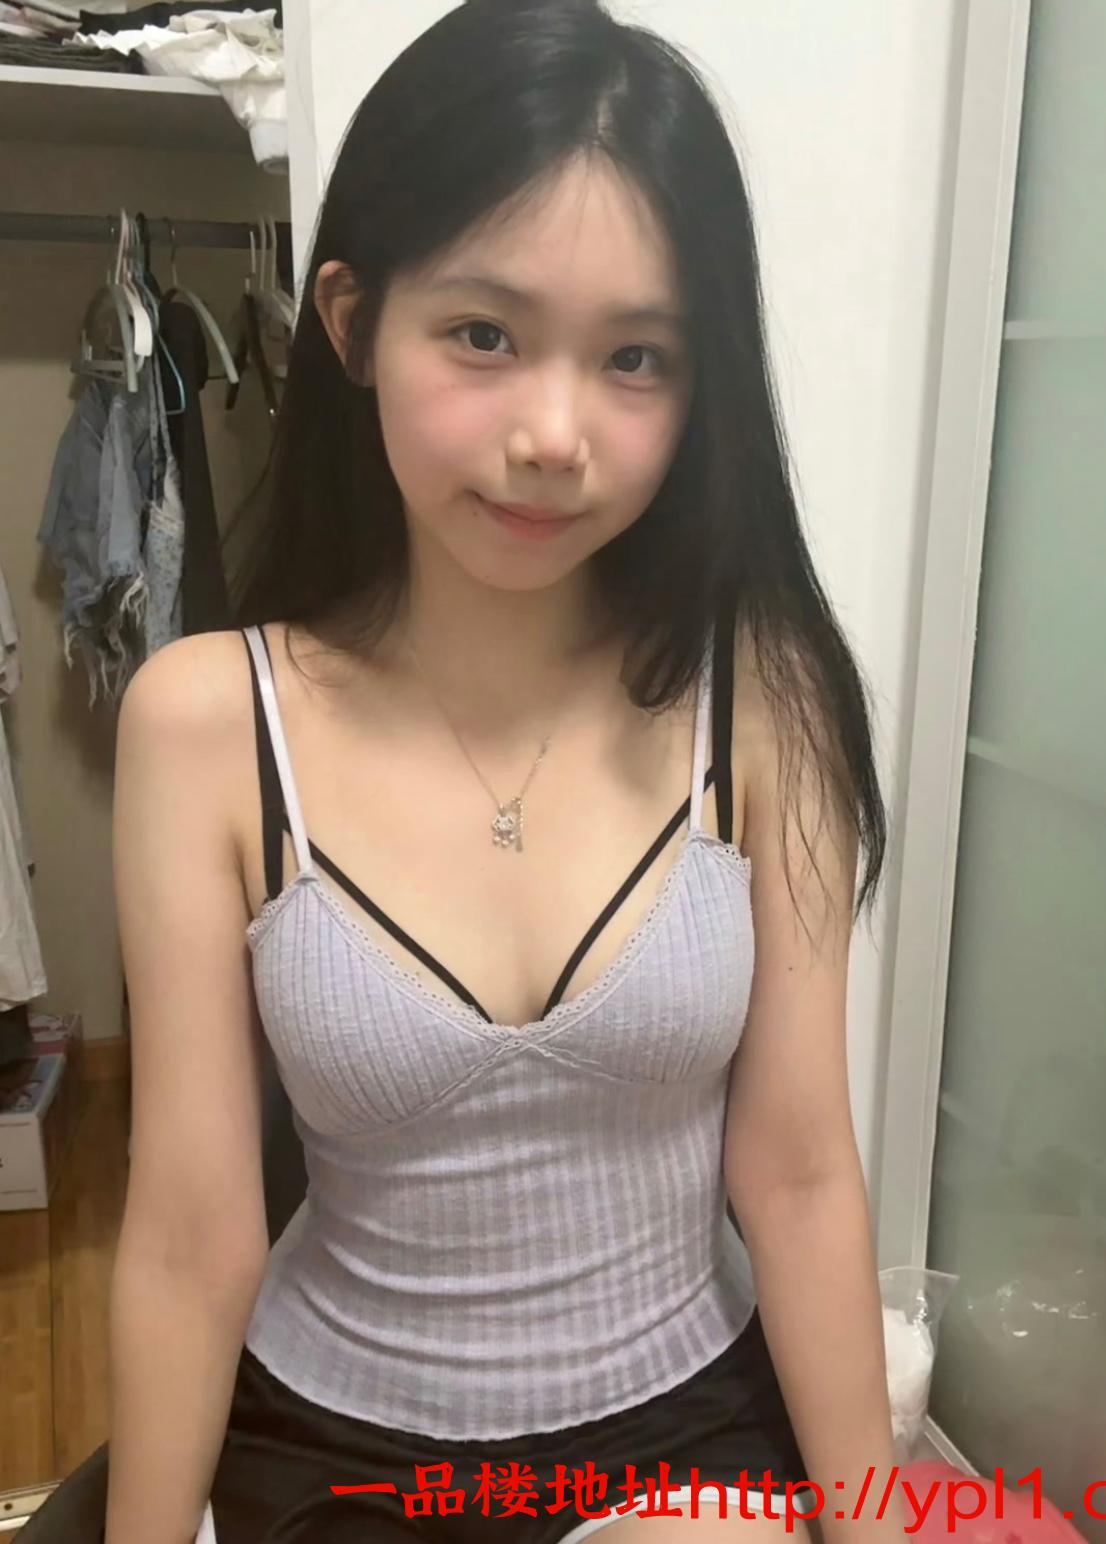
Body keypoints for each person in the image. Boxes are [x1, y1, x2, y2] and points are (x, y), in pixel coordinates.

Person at [24, 2, 904, 1541]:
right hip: (339, 1450)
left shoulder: (763, 700)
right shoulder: (208, 725)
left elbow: (804, 1175)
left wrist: (874, 1525)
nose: (554, 434)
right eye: (485, 335)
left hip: (685, 1436)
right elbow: (187, 1234)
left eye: (635, 358)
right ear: (354, 323)